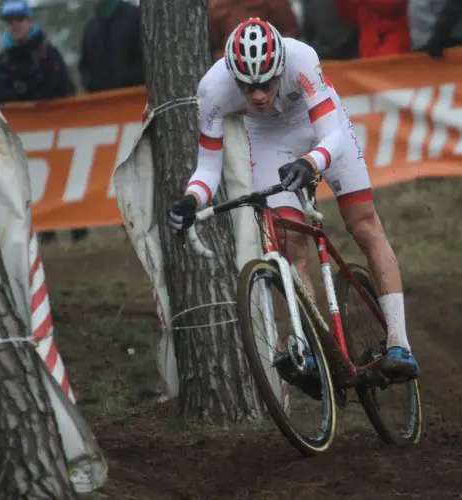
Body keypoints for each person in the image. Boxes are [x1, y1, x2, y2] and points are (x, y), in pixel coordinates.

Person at [167, 18, 420, 384]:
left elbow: (331, 135)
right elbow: (208, 168)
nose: (256, 95)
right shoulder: (213, 88)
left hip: (321, 130)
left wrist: (311, 162)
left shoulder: (302, 59)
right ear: (232, 75)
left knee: (363, 225)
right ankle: (309, 347)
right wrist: (191, 199)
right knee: (289, 245)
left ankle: (399, 342)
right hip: (270, 138)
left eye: (267, 83)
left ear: (281, 67)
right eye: (247, 86)